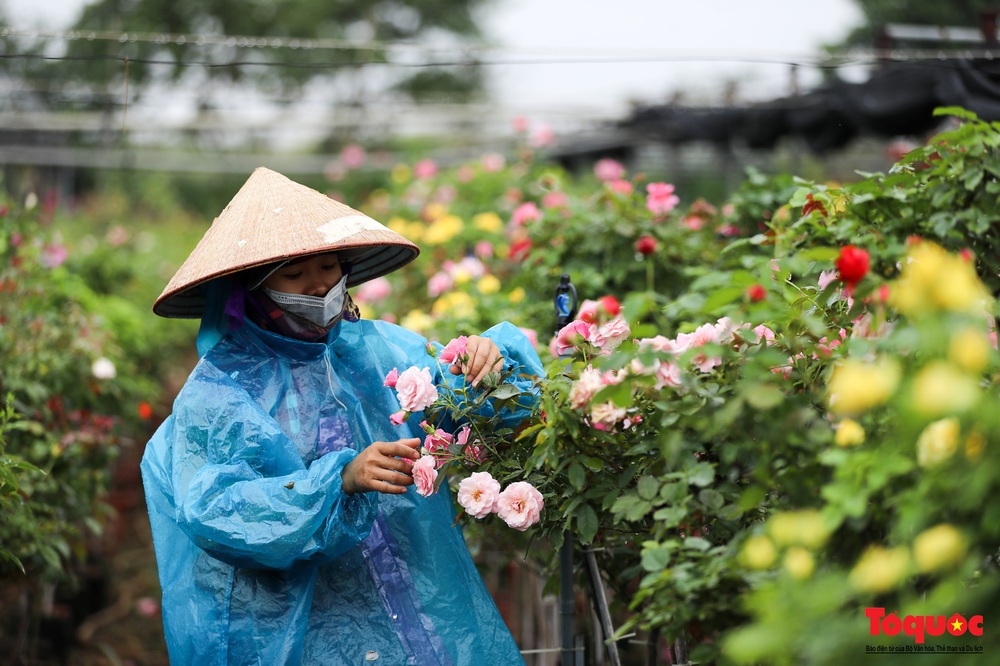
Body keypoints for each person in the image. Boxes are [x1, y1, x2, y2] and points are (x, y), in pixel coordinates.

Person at [140, 167, 543, 665]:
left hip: (423, 602)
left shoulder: (381, 349)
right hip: (301, 626)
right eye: (293, 275)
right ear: (251, 289)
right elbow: (214, 509)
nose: (317, 285)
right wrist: (339, 481)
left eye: (329, 266)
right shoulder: (220, 391)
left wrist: (489, 362)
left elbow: (470, 410)